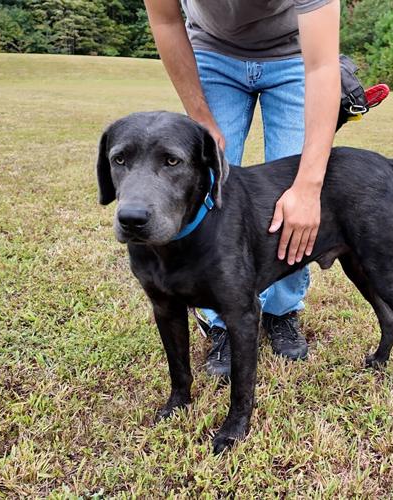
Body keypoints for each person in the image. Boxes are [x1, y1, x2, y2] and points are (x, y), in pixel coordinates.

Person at [144, 0, 341, 378]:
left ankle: (281, 311)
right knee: (207, 193)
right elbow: (166, 22)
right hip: (212, 50)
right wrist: (201, 119)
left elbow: (322, 66)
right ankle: (221, 319)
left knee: (291, 199)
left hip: (294, 55)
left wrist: (309, 185)